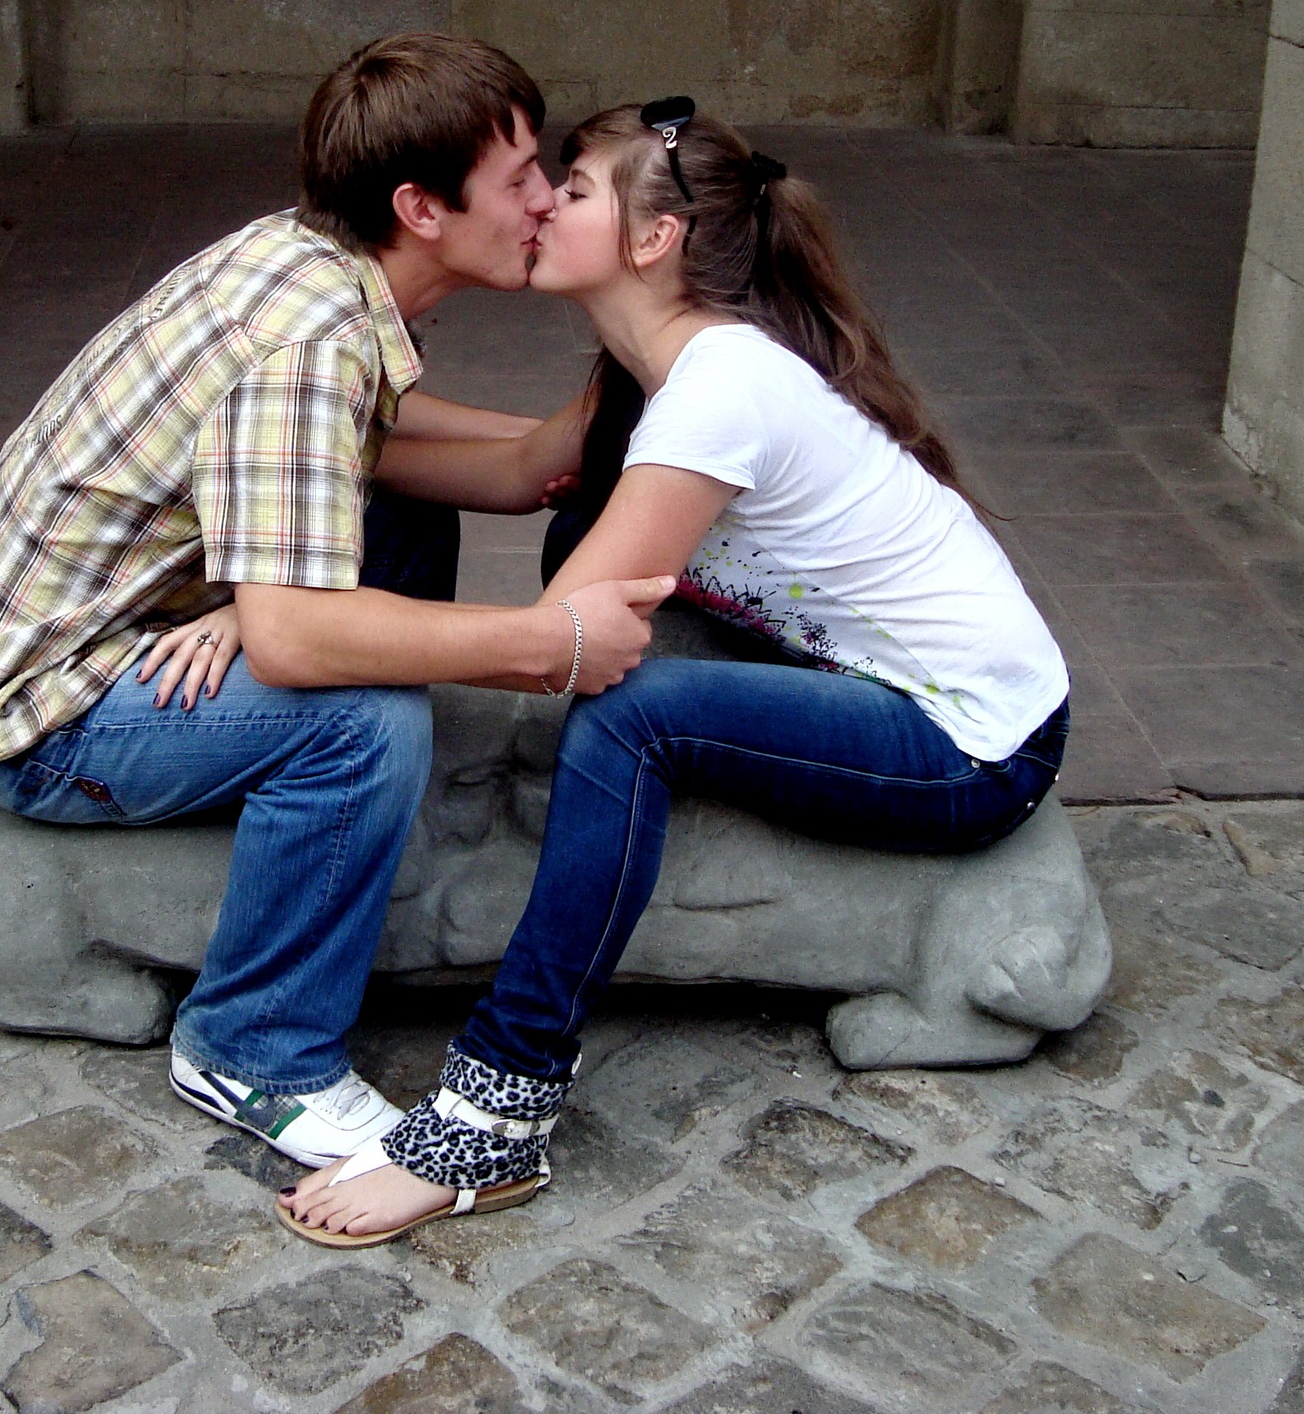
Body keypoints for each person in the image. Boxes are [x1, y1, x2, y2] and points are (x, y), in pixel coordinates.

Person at [276, 100, 1072, 1244]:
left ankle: (499, 1108)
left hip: (969, 745)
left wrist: (312, 635)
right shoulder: (650, 370)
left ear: (653, 240)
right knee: (592, 564)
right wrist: (282, 486)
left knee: (633, 715)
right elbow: (509, 476)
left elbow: (553, 643)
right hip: (879, 680)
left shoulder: (717, 391)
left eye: (573, 189)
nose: (541, 203)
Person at [0, 35, 674, 1170]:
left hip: (92, 627)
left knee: (402, 522)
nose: (545, 198)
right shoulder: (306, 344)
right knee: (364, 723)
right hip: (35, 714)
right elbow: (299, 643)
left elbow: (496, 468)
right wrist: (549, 644)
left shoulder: (314, 258)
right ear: (421, 209)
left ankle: (341, 840)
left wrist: (625, 354)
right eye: (518, 179)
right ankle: (254, 1047)